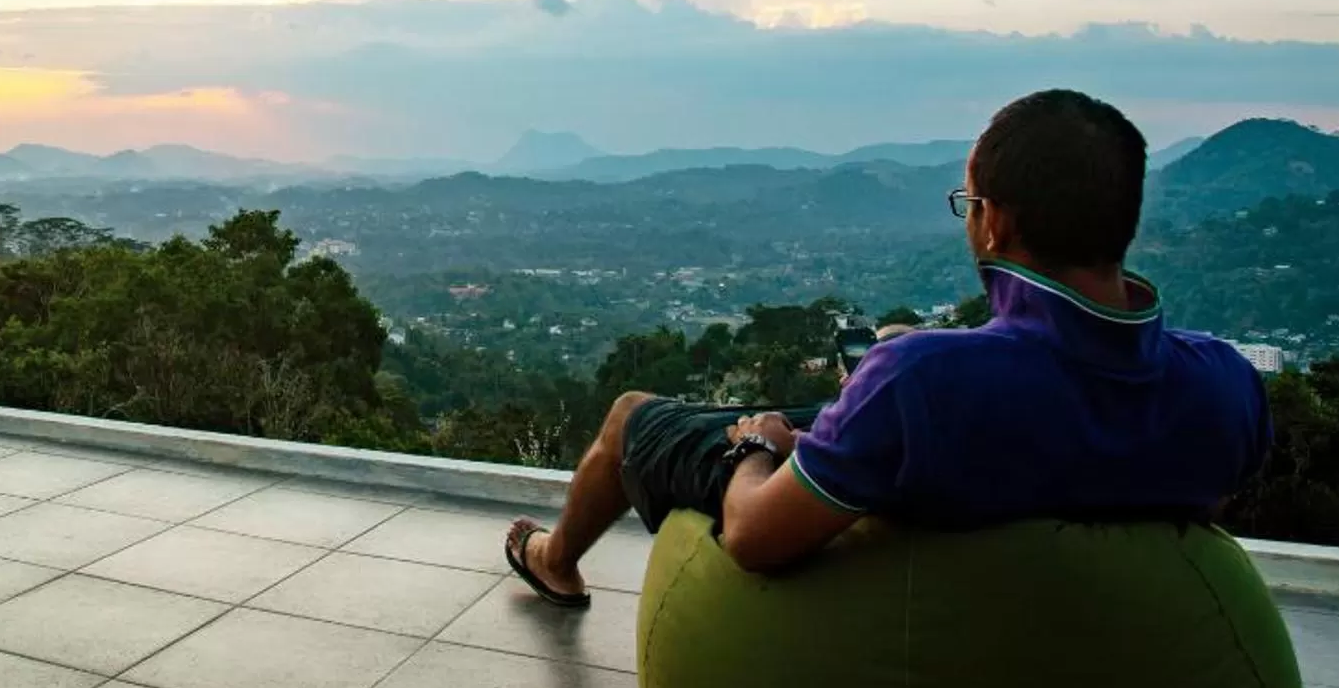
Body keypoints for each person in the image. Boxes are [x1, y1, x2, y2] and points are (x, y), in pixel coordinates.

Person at [504, 89, 1269, 603]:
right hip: (1060, 597)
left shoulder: (922, 381)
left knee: (633, 413)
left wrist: (759, 448)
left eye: (969, 205)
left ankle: (556, 561)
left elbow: (754, 537)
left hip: (874, 517)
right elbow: (1082, 410)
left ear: (995, 222)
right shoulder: (1227, 384)